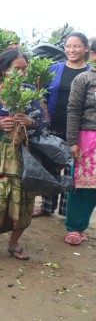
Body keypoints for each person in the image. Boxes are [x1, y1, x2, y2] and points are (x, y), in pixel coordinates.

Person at [0, 49, 47, 260]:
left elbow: (43, 124)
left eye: (25, 69)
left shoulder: (31, 92)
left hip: (21, 154)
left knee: (22, 197)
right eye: (17, 69)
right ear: (5, 71)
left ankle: (14, 243)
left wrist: (30, 122)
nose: (22, 73)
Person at [36, 32, 90, 218]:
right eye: (68, 46)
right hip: (54, 123)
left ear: (86, 48)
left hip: (78, 128)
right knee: (50, 164)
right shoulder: (54, 69)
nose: (71, 50)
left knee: (72, 167)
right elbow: (43, 96)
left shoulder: (90, 73)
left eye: (76, 46)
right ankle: (47, 206)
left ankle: (66, 210)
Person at [64, 38, 96, 245]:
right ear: (93, 55)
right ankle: (76, 227)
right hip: (88, 139)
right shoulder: (84, 79)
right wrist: (73, 141)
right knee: (84, 185)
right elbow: (73, 110)